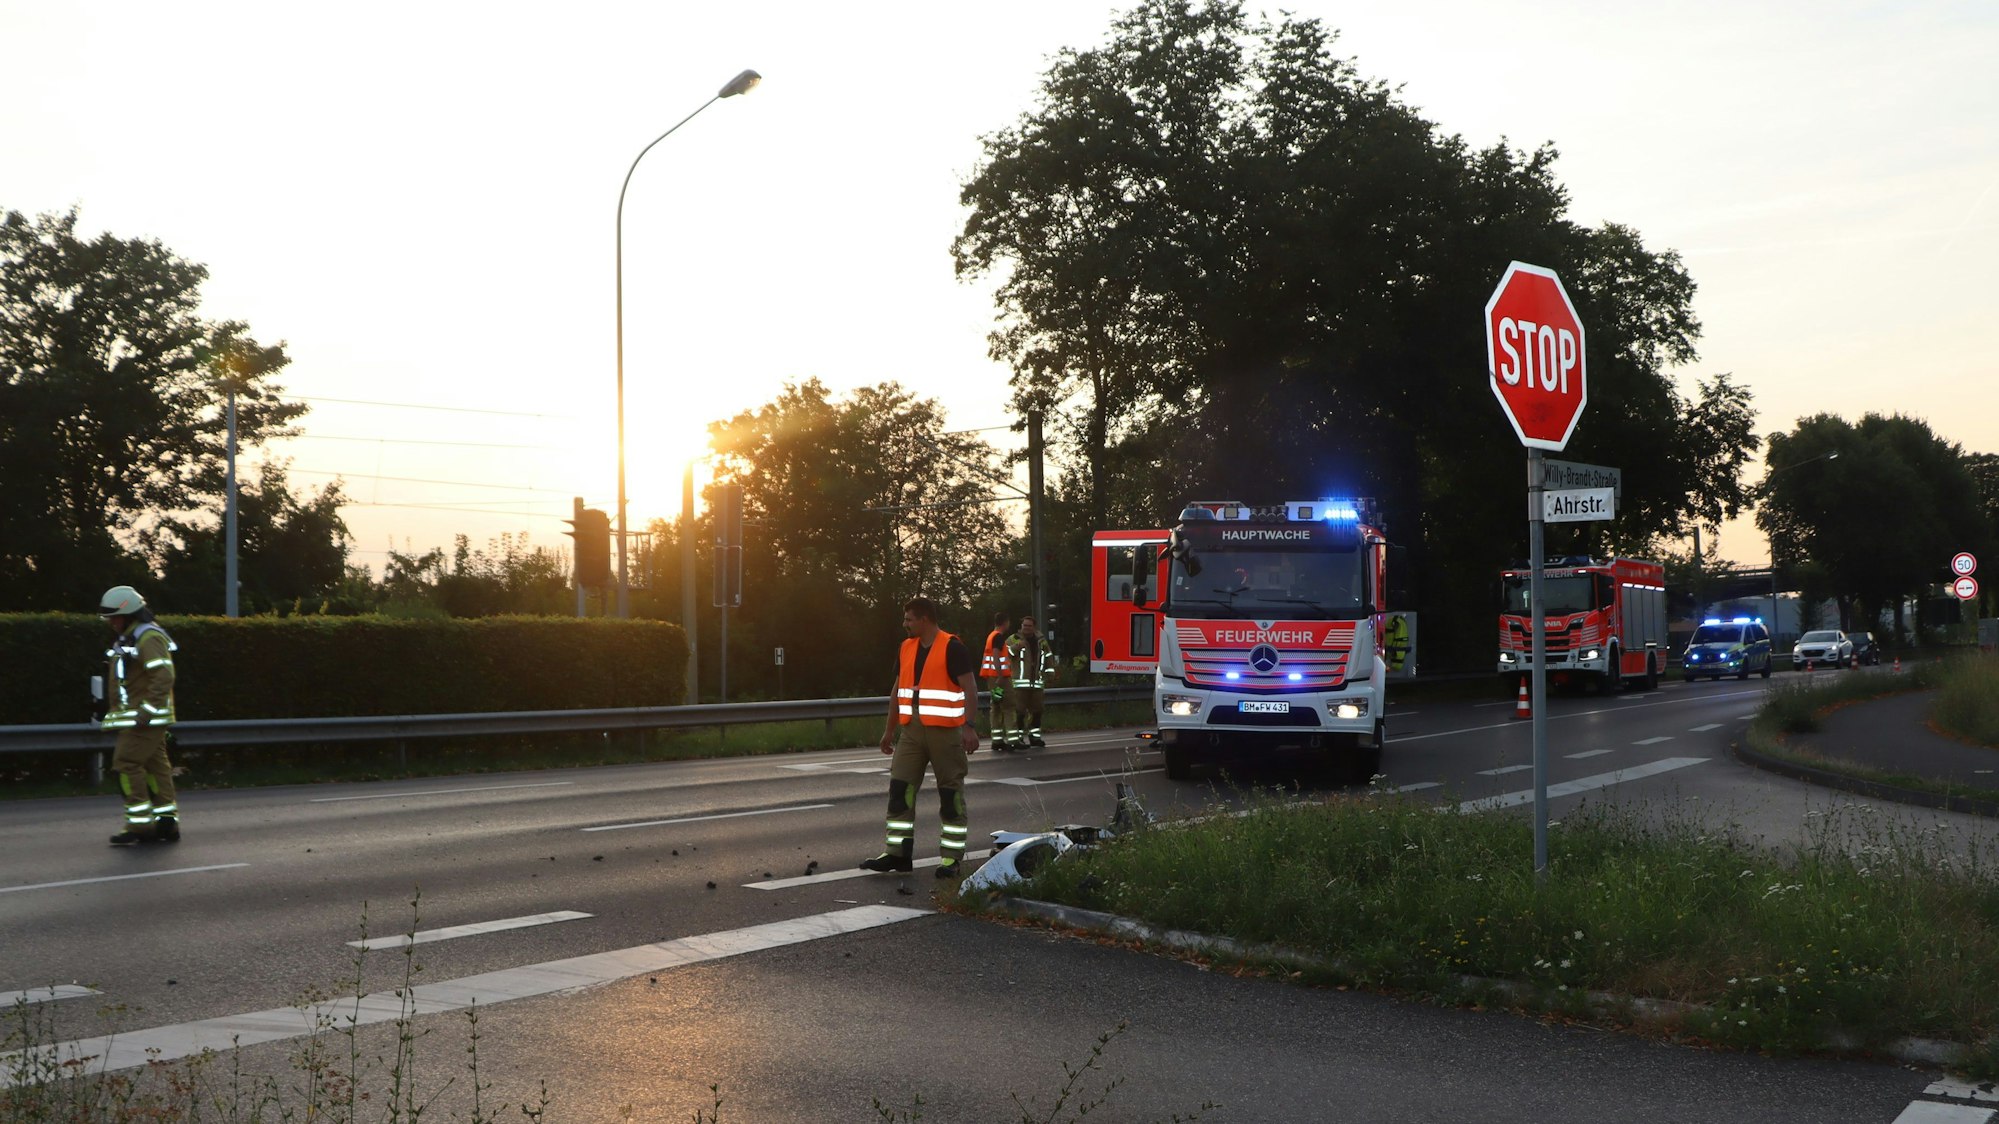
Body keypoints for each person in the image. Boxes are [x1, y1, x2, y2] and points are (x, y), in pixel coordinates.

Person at [862, 597, 980, 878]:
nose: (905, 624)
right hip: (911, 731)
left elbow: (971, 688)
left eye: (909, 619)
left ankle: (951, 858)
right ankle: (897, 854)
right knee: (900, 789)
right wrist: (889, 730)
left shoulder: (953, 647)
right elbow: (896, 691)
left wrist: (969, 726)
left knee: (950, 795)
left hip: (945, 732)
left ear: (924, 619)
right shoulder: (906, 648)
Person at [97, 586, 181, 845]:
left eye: (115, 617)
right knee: (157, 768)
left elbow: (164, 676)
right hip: (142, 719)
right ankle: (166, 823)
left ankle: (139, 825)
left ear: (130, 614)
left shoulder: (148, 638)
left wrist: (147, 711)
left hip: (144, 720)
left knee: (126, 763)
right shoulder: (131, 638)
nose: (111, 622)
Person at [1005, 616, 1058, 749]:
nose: (1026, 628)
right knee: (1019, 712)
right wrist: (1017, 646)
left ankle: (1035, 737)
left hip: (1037, 683)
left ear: (1034, 627)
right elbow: (1006, 654)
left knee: (1037, 711)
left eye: (1029, 626)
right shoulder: (1013, 639)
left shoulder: (1041, 641)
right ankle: (1019, 738)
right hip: (1019, 684)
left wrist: (1050, 673)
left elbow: (1048, 656)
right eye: (1024, 625)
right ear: (1021, 626)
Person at [980, 611, 1014, 749]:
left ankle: (997, 740)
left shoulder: (991, 636)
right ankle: (1013, 740)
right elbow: (995, 656)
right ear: (1005, 622)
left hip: (992, 678)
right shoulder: (998, 637)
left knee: (996, 706)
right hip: (1000, 679)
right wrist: (1000, 675)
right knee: (1008, 706)